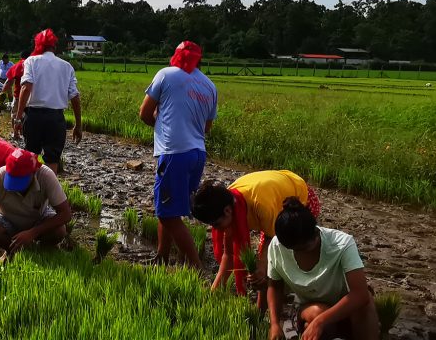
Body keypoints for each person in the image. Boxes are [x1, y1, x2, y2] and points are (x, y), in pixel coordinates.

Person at [137, 40, 217, 269]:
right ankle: (161, 256)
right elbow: (207, 128)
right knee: (171, 209)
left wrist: (161, 126)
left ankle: (195, 264)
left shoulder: (166, 74)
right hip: (197, 154)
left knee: (167, 214)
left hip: (174, 153)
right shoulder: (210, 86)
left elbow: (144, 113)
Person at [190, 171, 321, 300]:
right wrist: (214, 292)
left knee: (288, 251)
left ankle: (301, 290)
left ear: (228, 211)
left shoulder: (262, 206)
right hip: (271, 191)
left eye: (216, 224)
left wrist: (262, 267)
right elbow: (229, 254)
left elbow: (272, 238)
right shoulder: (226, 200)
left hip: (298, 194)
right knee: (263, 264)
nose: (215, 229)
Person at [266, 198, 378, 340]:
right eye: (293, 249)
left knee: (365, 304)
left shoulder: (342, 244)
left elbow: (360, 293)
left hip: (345, 308)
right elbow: (274, 286)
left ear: (314, 234)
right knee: (318, 313)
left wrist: (320, 322)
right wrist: (274, 324)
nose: (299, 253)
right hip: (309, 308)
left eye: (304, 248)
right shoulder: (277, 246)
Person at [0, 148, 72, 261]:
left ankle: (36, 251)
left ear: (33, 172)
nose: (16, 187)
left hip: (37, 219)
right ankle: (11, 250)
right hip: (4, 218)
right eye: (13, 178)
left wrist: (32, 233)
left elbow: (66, 214)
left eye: (20, 180)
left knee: (59, 231)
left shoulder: (46, 176)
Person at [13, 29, 82, 172]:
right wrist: (78, 124)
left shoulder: (31, 61)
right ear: (54, 47)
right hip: (56, 118)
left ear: (37, 45)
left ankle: (31, 190)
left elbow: (26, 88)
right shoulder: (66, 66)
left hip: (34, 116)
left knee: (31, 155)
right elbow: (75, 97)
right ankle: (49, 191)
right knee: (52, 159)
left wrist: (18, 118)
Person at [1, 50, 32, 117]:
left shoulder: (17, 65)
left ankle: (16, 124)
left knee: (15, 115)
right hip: (33, 97)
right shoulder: (36, 65)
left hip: (19, 96)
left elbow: (8, 82)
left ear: (21, 57)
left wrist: (2, 92)